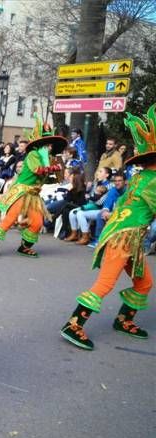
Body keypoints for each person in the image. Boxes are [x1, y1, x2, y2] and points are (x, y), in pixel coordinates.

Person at [60, 104, 156, 350]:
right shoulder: (152, 180)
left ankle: (124, 319)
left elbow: (122, 201)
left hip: (128, 237)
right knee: (105, 284)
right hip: (123, 238)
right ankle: (73, 325)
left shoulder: (139, 177)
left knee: (144, 283)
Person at [0, 116, 67, 259]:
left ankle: (24, 247)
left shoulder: (48, 160)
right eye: (46, 145)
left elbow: (45, 178)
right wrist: (53, 168)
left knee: (37, 222)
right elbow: (37, 170)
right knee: (10, 219)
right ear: (39, 145)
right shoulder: (33, 154)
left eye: (50, 145)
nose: (49, 147)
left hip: (33, 195)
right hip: (21, 191)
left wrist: (57, 175)